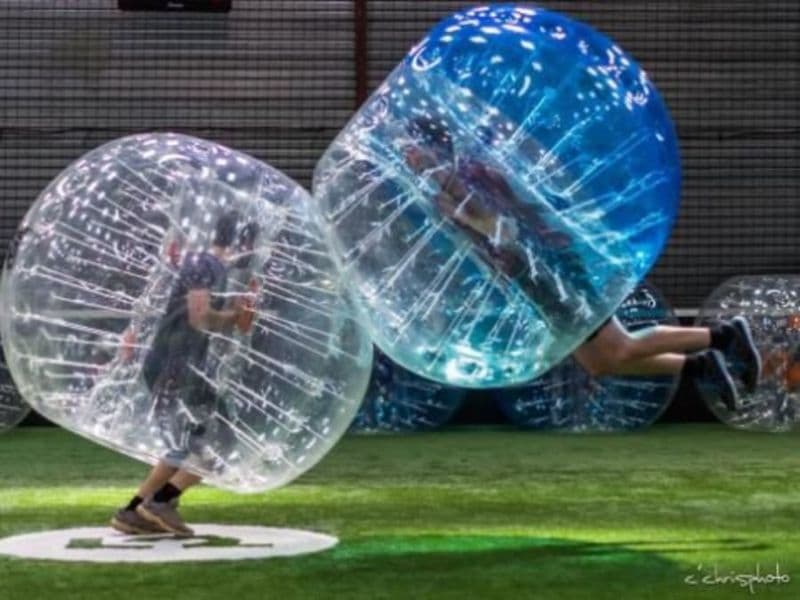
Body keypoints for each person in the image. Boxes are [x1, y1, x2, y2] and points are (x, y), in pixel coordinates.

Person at [402, 116, 761, 408]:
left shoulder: (467, 177)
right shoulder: (445, 191)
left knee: (617, 346)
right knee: (597, 362)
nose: (407, 156)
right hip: (530, 277)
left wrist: (462, 219)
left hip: (549, 266)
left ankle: (723, 337)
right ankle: (701, 366)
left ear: (432, 147)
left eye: (411, 148)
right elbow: (489, 242)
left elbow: (504, 228)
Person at [111, 211, 259, 536]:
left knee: (183, 447)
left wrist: (246, 307)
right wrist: (233, 315)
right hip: (175, 366)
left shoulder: (226, 275)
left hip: (185, 367)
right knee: (220, 445)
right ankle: (161, 502)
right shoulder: (203, 266)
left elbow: (239, 326)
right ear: (241, 242)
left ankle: (132, 512)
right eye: (251, 247)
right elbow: (200, 317)